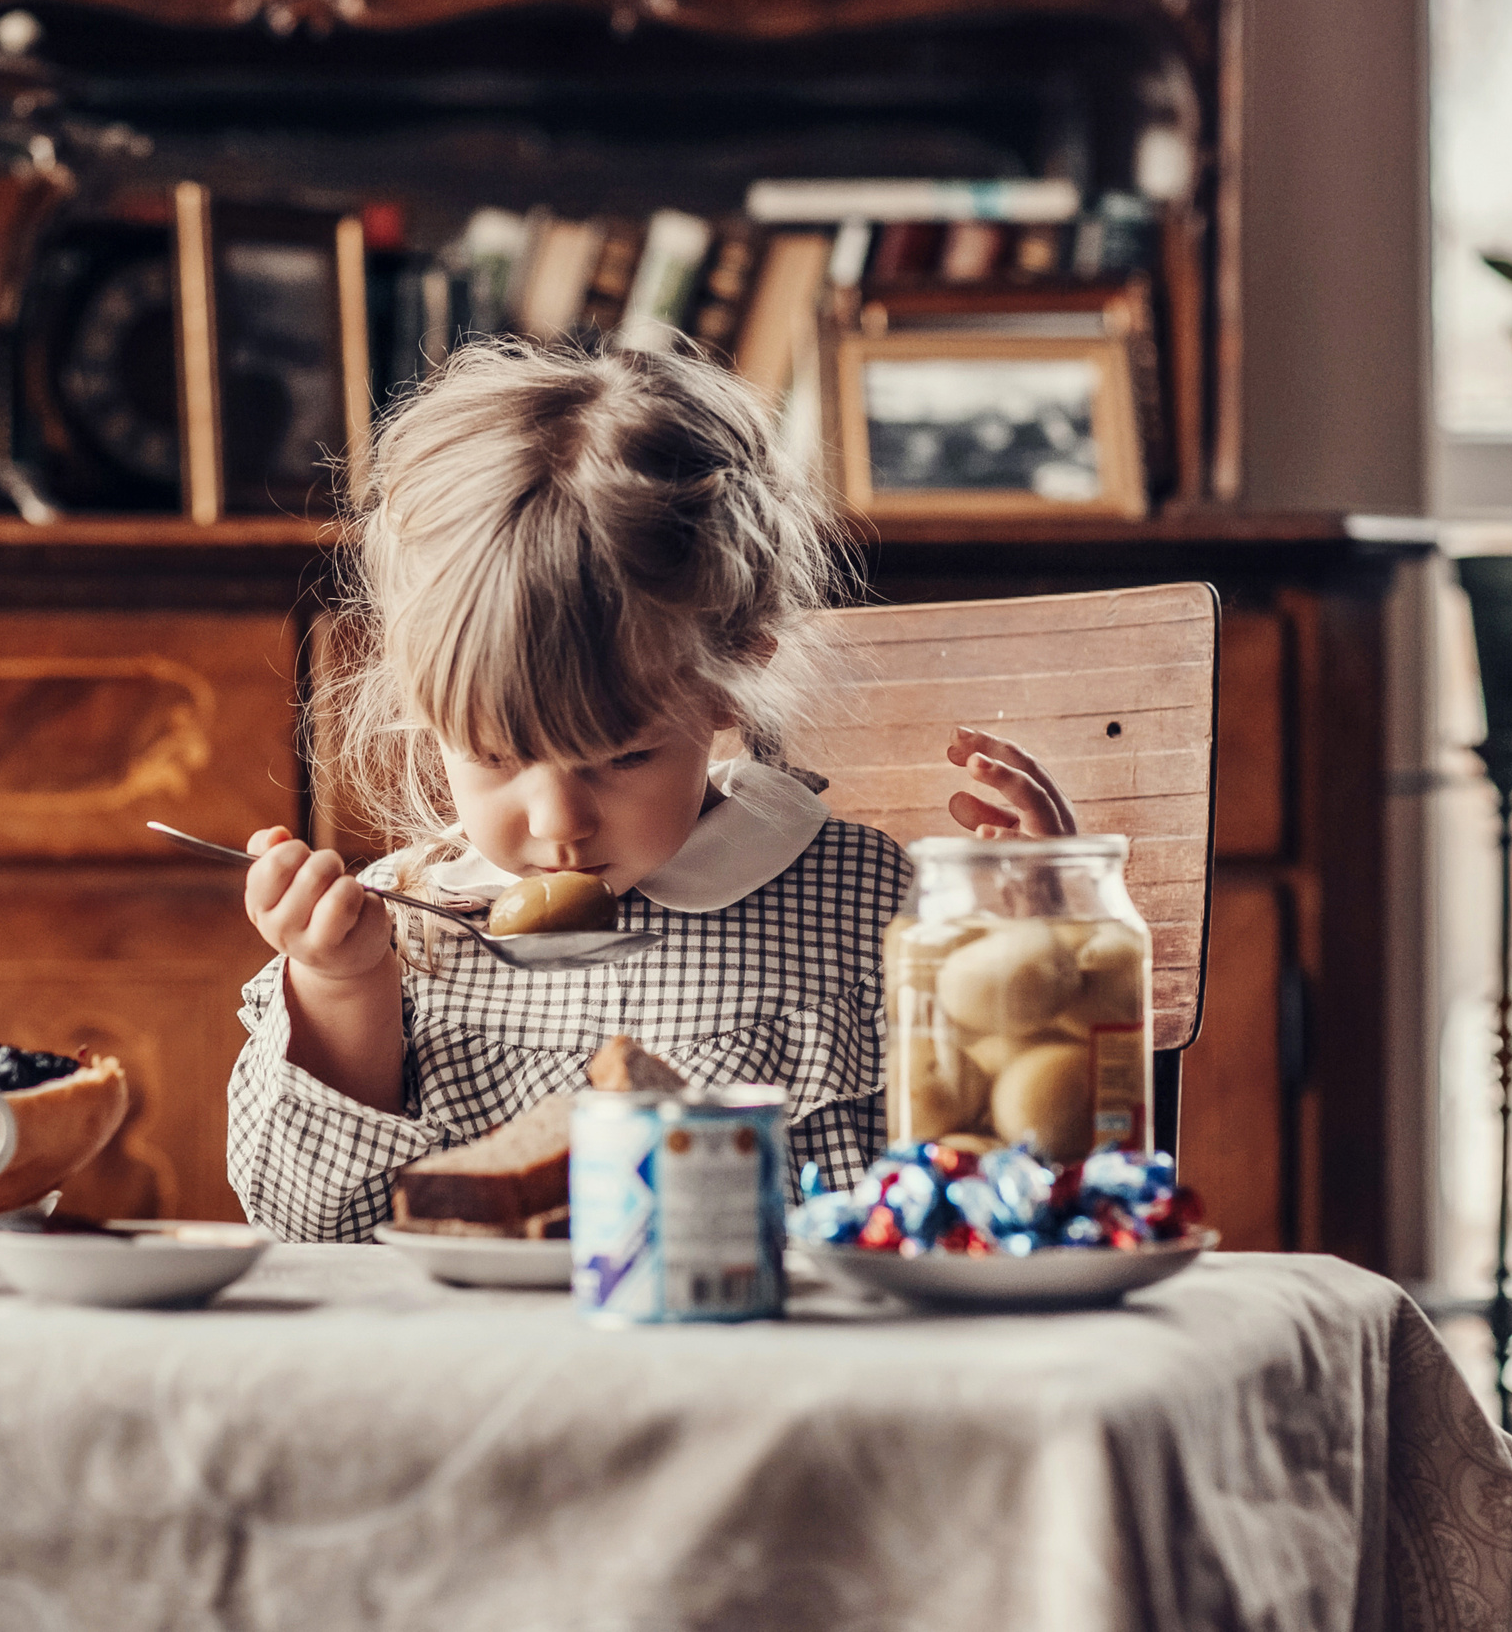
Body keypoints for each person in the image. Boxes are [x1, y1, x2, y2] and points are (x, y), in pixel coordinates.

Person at [227, 340, 1074, 1243]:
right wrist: (343, 989)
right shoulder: (407, 933)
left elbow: (1010, 1196)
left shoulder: (873, 908)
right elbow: (310, 1227)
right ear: (422, 707)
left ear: (729, 679)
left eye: (622, 757)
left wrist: (1026, 951)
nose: (558, 826)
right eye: (496, 757)